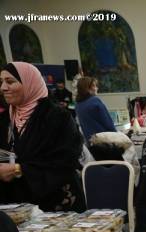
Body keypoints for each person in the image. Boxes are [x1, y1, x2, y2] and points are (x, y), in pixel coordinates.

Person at [0, 62, 84, 211]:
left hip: (55, 204)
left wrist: (19, 169)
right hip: (16, 206)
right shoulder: (4, 119)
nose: (3, 88)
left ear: (29, 84)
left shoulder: (57, 117)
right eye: (1, 82)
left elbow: (66, 160)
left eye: (10, 82)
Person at [75, 77, 116, 141]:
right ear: (87, 88)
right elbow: (108, 123)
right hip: (104, 140)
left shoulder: (78, 104)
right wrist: (116, 135)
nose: (97, 88)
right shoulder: (95, 101)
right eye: (94, 86)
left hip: (90, 141)